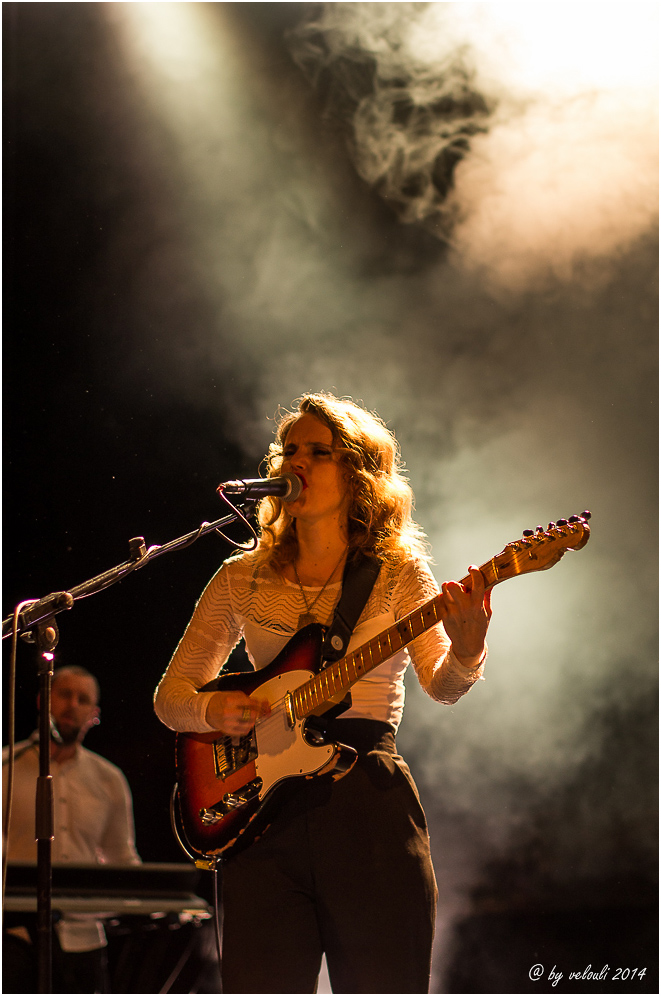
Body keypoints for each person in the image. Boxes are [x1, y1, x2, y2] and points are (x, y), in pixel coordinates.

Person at [154, 392, 491, 994]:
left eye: (317, 451)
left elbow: (442, 684)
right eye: (288, 451)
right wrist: (213, 707)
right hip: (262, 816)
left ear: (359, 471)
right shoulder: (241, 575)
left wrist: (467, 648)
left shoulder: (397, 572)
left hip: (367, 799)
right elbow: (170, 695)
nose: (295, 463)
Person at [2, 664, 141, 993]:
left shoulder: (109, 779)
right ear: (43, 700)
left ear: (94, 714)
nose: (72, 705)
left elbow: (122, 857)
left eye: (83, 700)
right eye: (64, 694)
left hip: (85, 939)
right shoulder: (4, 767)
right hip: (14, 938)